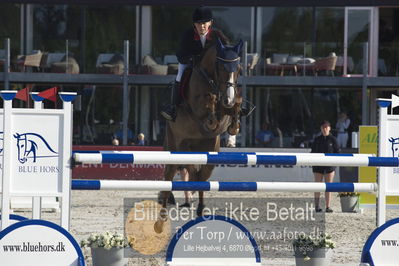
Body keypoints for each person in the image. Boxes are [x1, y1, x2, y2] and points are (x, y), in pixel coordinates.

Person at [160, 6, 233, 121]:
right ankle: (173, 107)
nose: (202, 26)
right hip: (190, 63)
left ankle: (234, 105)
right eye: (198, 23)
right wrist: (190, 59)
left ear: (210, 23)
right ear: (194, 24)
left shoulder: (218, 35)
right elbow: (180, 53)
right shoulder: (188, 35)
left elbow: (227, 49)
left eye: (204, 23)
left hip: (211, 67)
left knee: (229, 76)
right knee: (179, 75)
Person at [311, 120, 340, 213]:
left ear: (329, 128)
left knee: (329, 187)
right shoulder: (317, 139)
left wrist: (334, 165)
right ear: (321, 128)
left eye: (326, 127)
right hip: (318, 166)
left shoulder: (333, 139)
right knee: (317, 186)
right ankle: (316, 206)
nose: (325, 129)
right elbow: (312, 152)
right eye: (323, 127)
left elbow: (338, 153)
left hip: (329, 166)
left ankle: (328, 206)